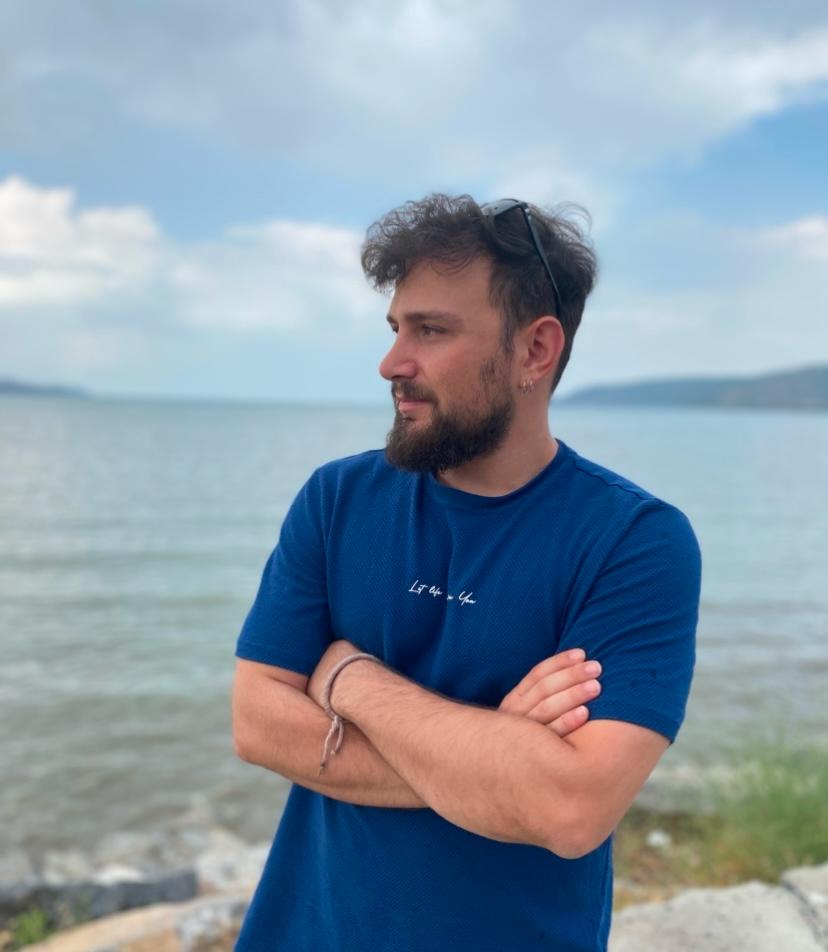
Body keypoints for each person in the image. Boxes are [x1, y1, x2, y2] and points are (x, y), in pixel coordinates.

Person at [231, 194, 701, 951]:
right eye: (395, 328)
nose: (392, 364)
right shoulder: (338, 497)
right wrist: (494, 762)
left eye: (431, 330)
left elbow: (570, 811)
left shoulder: (634, 541)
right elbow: (257, 724)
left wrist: (350, 679)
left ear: (534, 351)